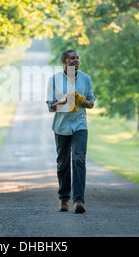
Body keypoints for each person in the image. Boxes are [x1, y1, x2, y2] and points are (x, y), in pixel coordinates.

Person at [46, 50, 95, 213]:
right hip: (61, 126)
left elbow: (91, 103)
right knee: (63, 163)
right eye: (72, 58)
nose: (76, 61)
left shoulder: (86, 78)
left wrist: (83, 100)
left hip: (80, 125)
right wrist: (63, 101)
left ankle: (79, 201)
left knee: (79, 159)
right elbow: (51, 107)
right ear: (64, 61)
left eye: (77, 58)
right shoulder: (54, 80)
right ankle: (64, 199)